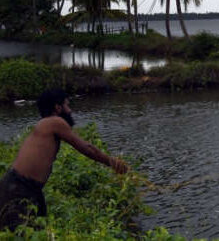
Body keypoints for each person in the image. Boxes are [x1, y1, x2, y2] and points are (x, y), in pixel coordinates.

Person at [0, 89, 129, 231]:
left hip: (29, 189)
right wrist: (111, 162)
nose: (70, 110)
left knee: (39, 229)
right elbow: (87, 148)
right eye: (67, 105)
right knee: (20, 234)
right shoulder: (54, 122)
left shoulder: (46, 124)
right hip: (18, 188)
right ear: (57, 107)